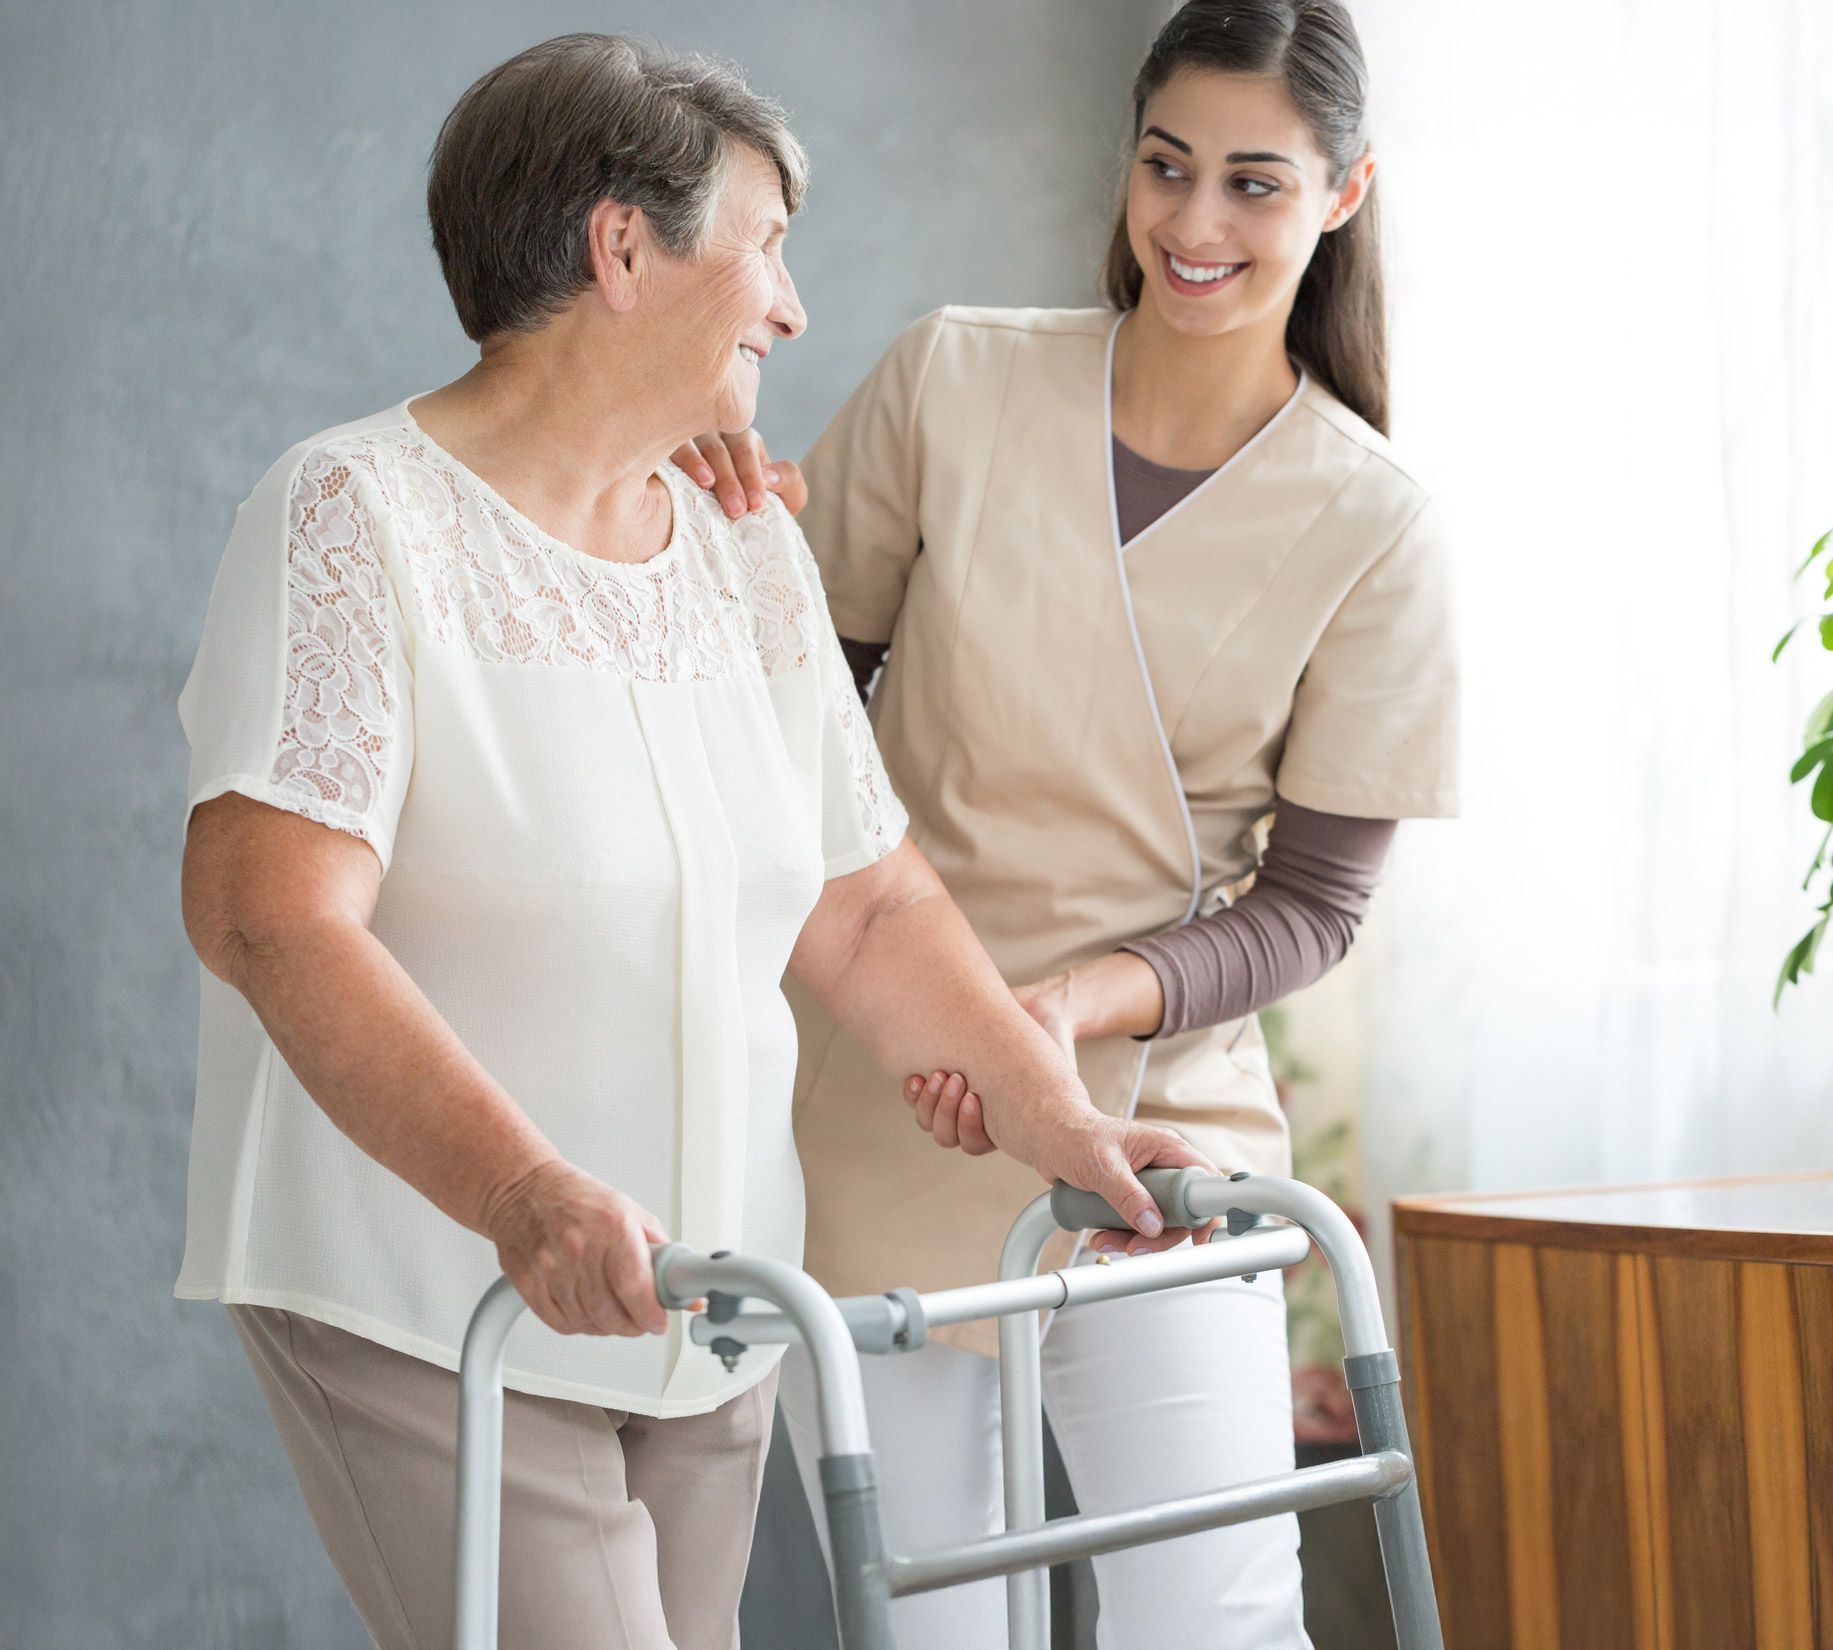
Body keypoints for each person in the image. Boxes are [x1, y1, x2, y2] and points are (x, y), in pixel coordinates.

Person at [174, 34, 1206, 1650]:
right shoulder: (351, 515)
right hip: (444, 1298)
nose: (792, 305)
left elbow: (862, 906)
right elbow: (267, 919)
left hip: (713, 1310)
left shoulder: (739, 544)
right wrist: (521, 1191)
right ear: (622, 248)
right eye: (767, 243)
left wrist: (1057, 1122)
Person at [676, 2, 1460, 1644]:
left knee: (1215, 1614)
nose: (1191, 223)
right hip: (895, 1093)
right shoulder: (955, 375)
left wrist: (1062, 1009)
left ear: (1342, 194)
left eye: (1254, 183)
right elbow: (784, 715)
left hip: (1157, 1133)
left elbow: (1310, 906)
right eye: (1164, 166)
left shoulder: (1373, 524)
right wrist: (697, 516)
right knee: (937, 1621)